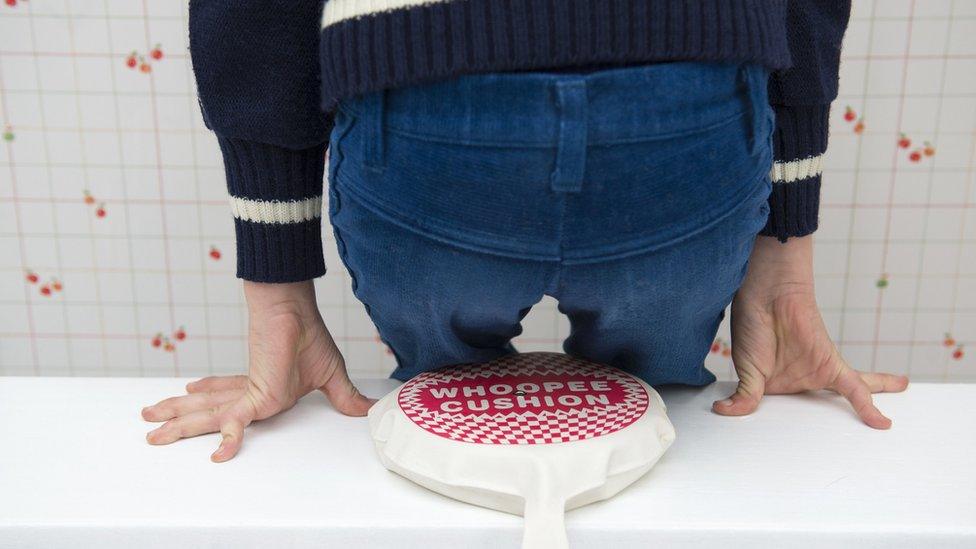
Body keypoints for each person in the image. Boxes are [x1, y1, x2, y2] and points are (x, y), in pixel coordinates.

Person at [143, 0, 909, 462]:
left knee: (443, 425)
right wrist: (785, 260)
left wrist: (278, 294)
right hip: (691, 98)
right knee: (674, 425)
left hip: (425, 96)